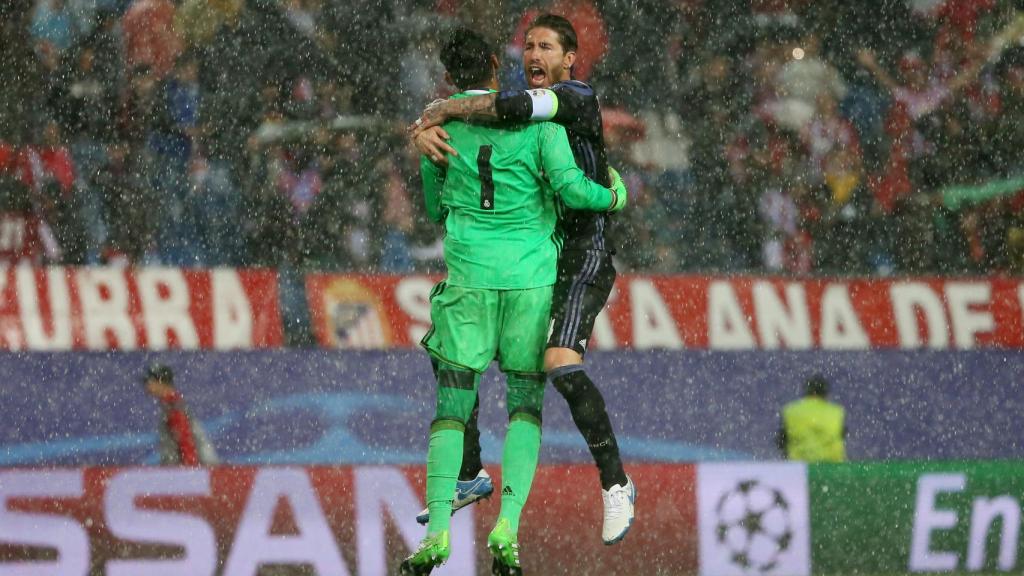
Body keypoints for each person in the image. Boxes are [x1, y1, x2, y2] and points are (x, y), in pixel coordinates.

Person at [400, 27, 626, 576]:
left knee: (452, 405)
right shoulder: (539, 127)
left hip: (470, 279)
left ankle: (437, 532)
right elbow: (573, 190)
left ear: (451, 78)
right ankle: (509, 526)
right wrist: (615, 193)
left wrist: (431, 128)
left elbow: (434, 208)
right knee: (525, 406)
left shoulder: (443, 127)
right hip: (529, 280)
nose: (534, 58)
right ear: (498, 72)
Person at [142, 363, 218, 466]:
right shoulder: (171, 404)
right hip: (183, 470)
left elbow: (186, 442)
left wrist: (189, 469)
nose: (147, 386)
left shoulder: (173, 406)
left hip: (182, 471)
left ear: (161, 382)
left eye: (149, 381)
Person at [777, 374, 846, 462]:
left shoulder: (791, 411)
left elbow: (782, 441)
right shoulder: (837, 412)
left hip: (799, 467)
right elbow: (840, 439)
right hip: (830, 468)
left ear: (807, 391)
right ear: (825, 393)